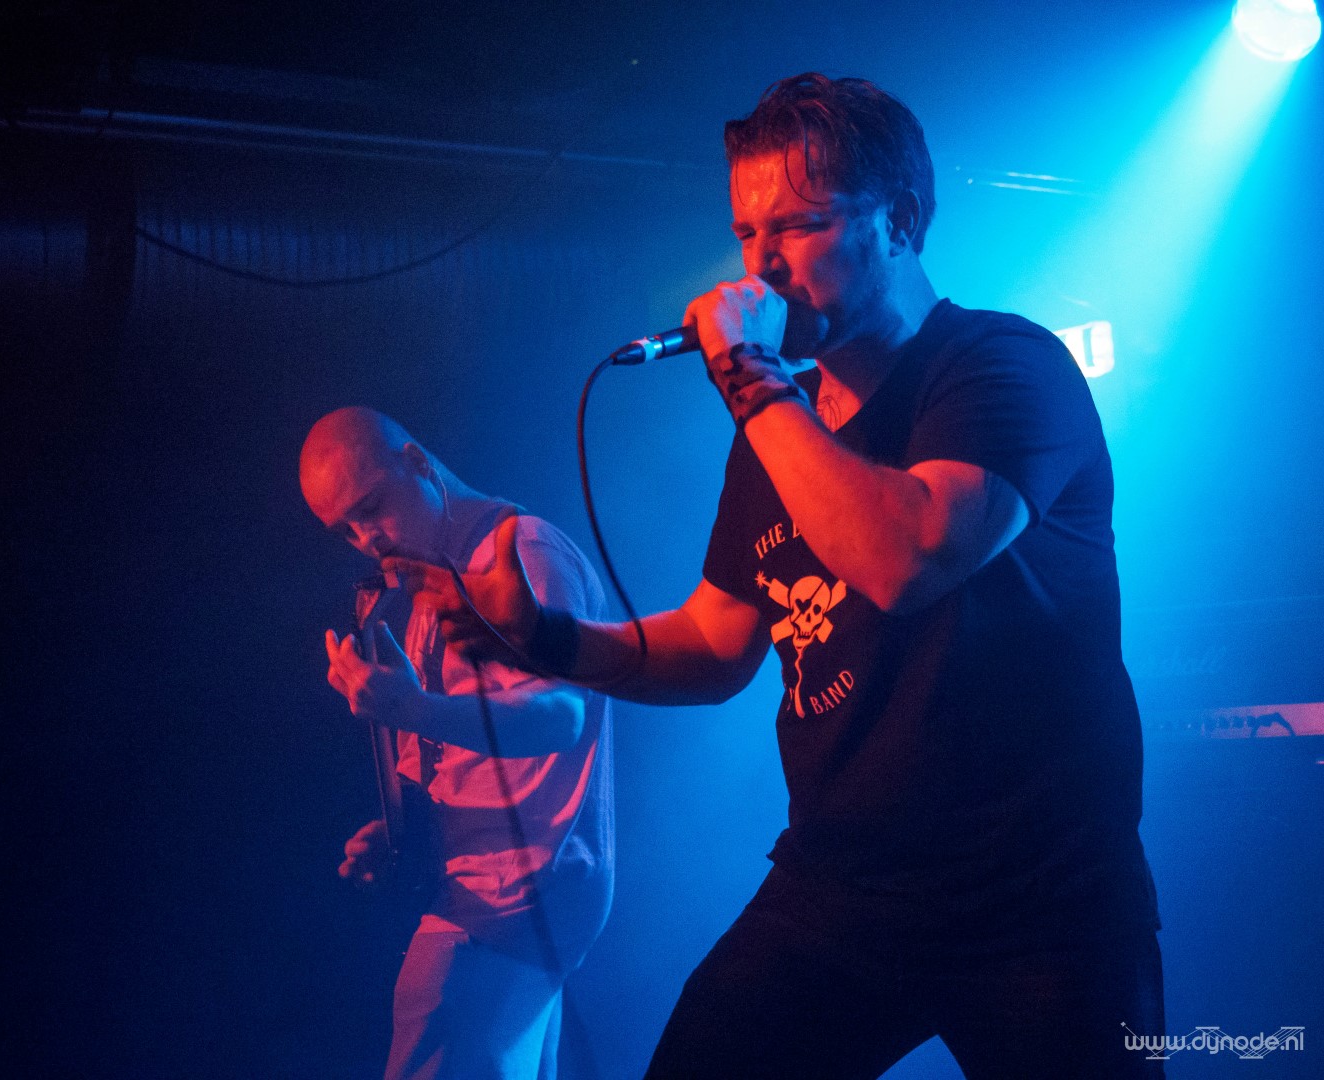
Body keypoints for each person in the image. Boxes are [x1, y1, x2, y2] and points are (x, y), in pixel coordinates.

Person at [390, 74, 1163, 1078]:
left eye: (798, 226)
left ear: (899, 221)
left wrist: (752, 380)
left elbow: (906, 558)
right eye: (747, 233)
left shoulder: (1000, 366)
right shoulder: (777, 428)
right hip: (843, 888)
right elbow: (716, 644)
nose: (760, 266)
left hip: (1041, 903)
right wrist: (544, 638)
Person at [300, 407, 614, 1080]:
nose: (365, 539)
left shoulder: (521, 552)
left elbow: (560, 715)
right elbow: (454, 755)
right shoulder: (427, 581)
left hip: (507, 899)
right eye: (345, 529)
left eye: (371, 508)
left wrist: (415, 708)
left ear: (418, 462)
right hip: (496, 899)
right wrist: (400, 828)